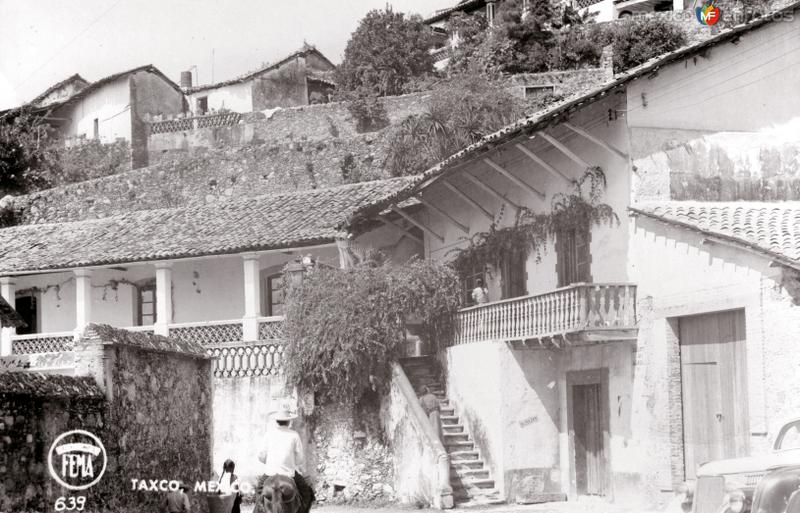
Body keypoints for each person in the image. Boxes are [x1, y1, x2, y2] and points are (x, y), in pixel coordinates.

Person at [258, 403, 315, 511]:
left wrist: (270, 462)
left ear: (276, 421)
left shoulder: (269, 434)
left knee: (258, 493)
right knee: (306, 492)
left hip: (270, 472)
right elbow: (300, 459)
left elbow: (261, 456)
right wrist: (292, 463)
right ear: (289, 421)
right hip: (289, 473)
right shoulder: (294, 435)